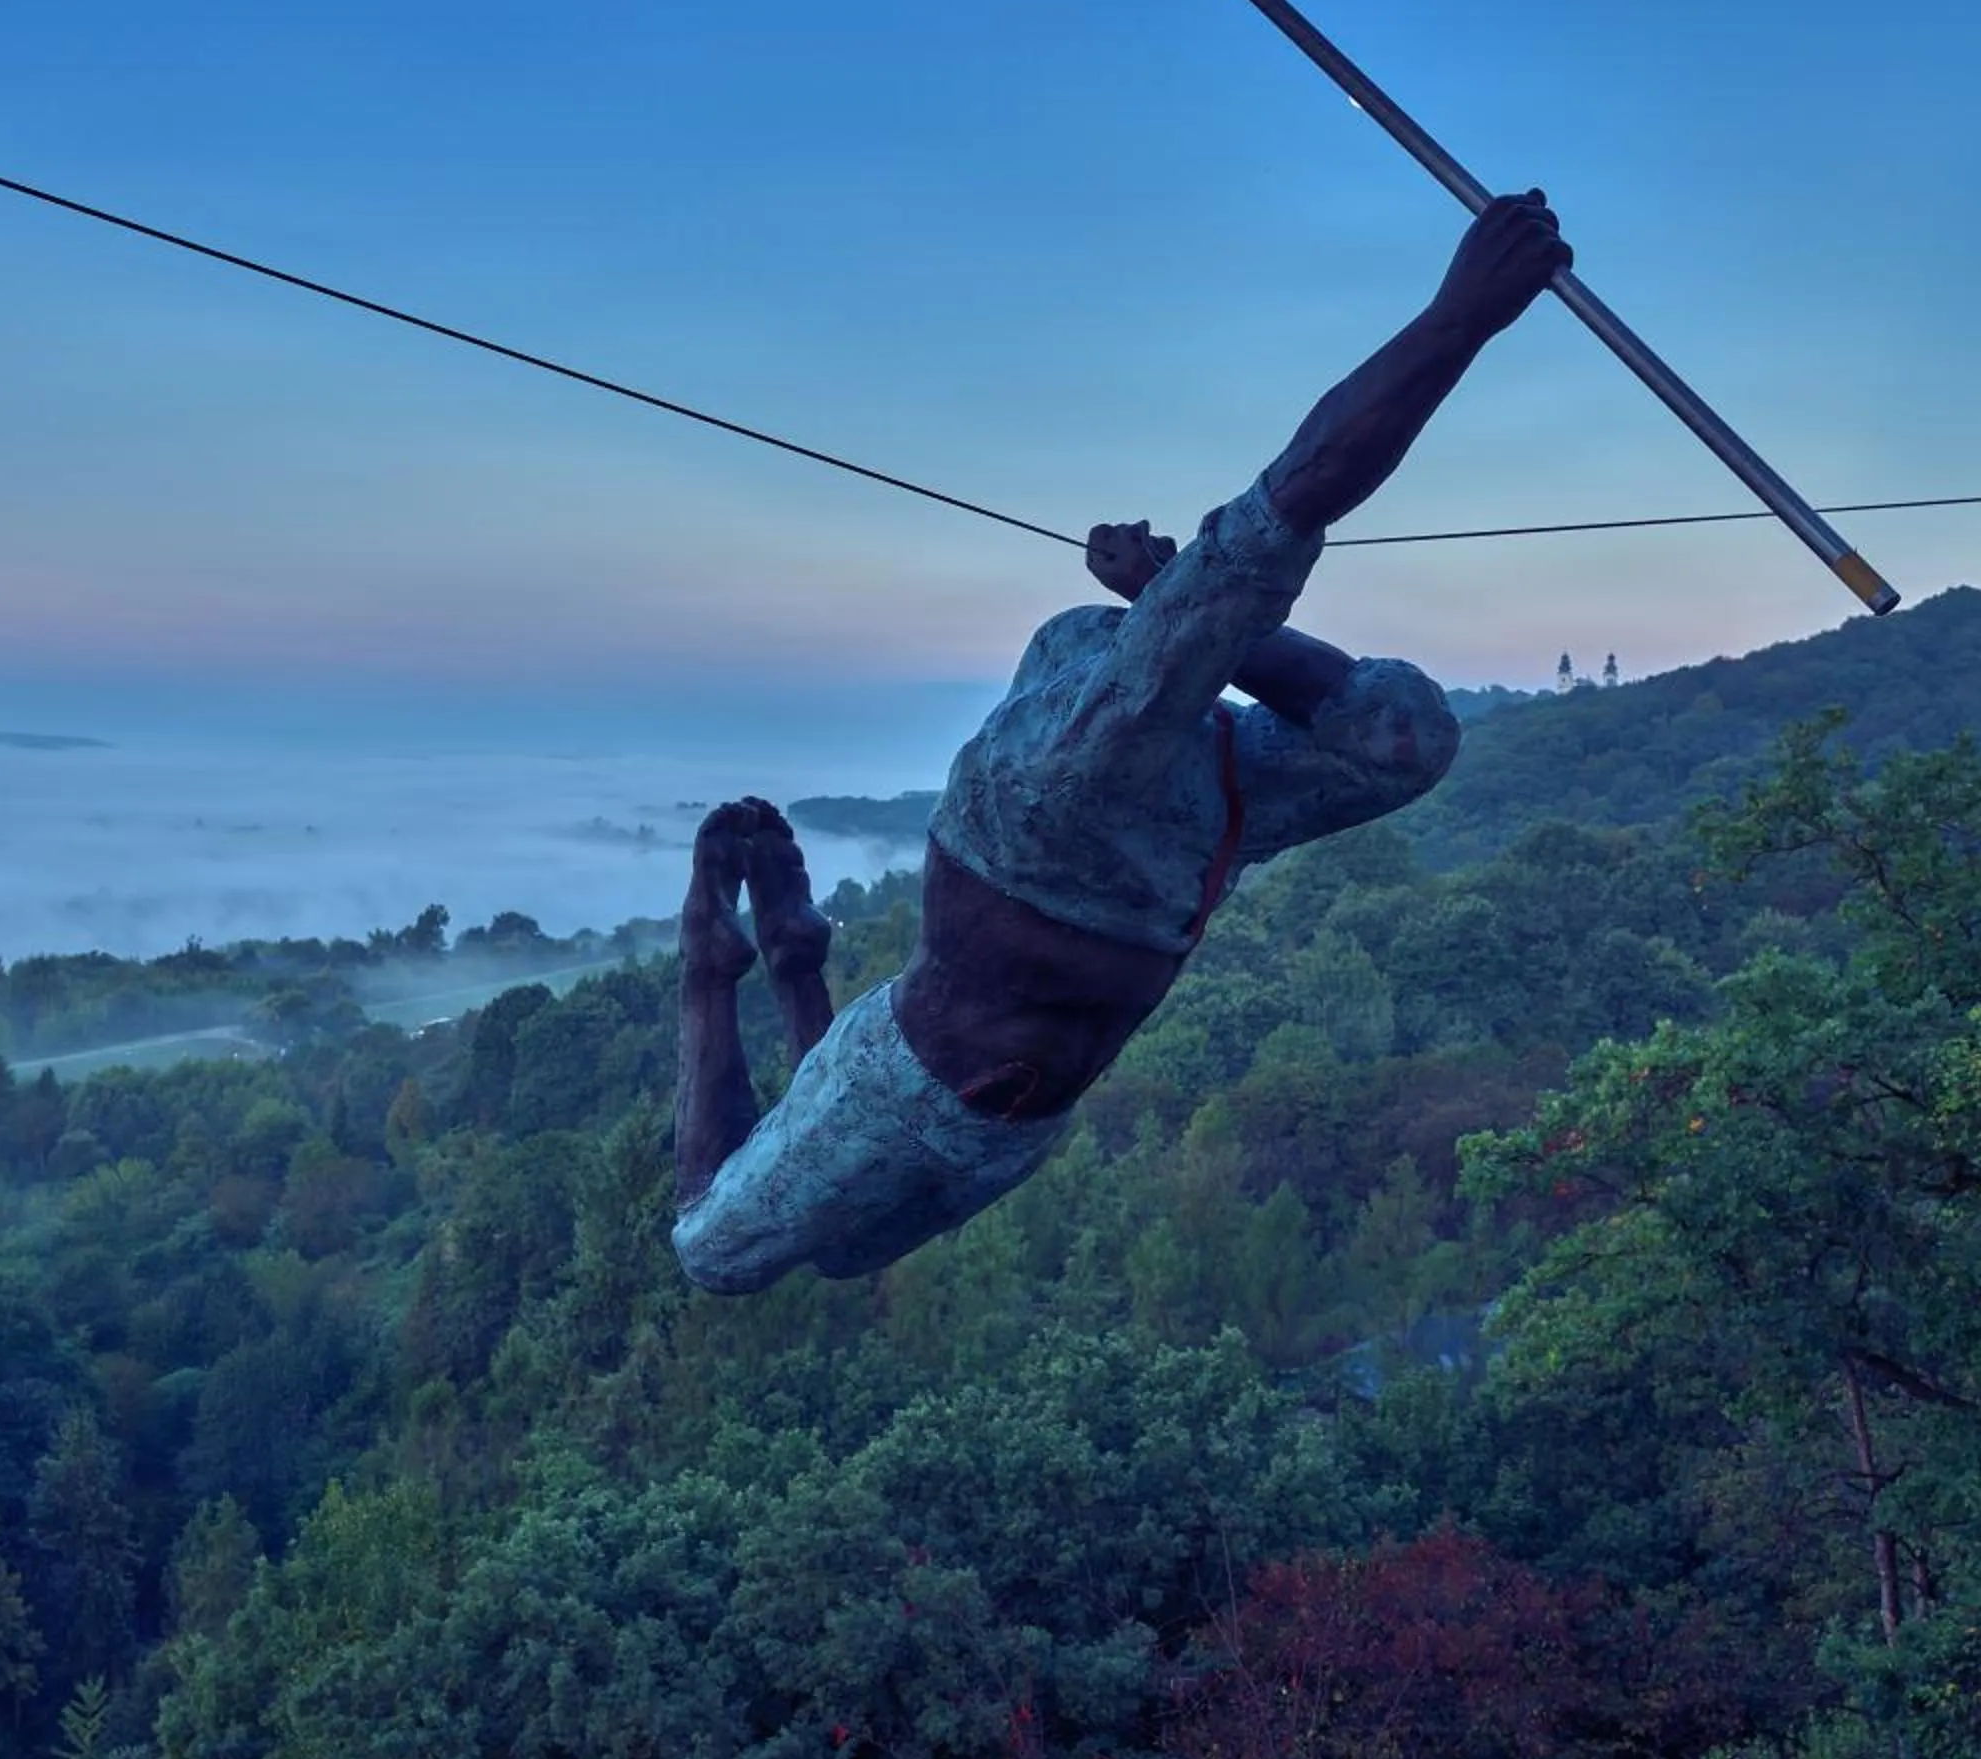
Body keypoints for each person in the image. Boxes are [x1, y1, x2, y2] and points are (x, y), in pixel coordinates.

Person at [670, 190, 1573, 1293]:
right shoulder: (1071, 771)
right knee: (712, 1253)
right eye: (1191, 645)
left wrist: (1194, 613)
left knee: (846, 1256)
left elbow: (1403, 735)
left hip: (1001, 1127)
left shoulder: (1228, 782)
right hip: (909, 1082)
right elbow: (1293, 500)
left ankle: (795, 961)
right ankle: (709, 970)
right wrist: (1460, 317)